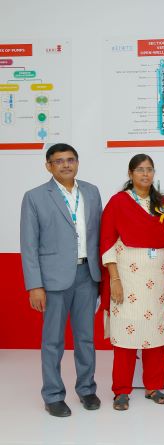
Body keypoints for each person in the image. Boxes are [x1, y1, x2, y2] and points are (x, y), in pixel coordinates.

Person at [20, 143, 103, 417]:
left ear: (77, 163)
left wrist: (103, 278)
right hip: (53, 279)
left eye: (70, 160)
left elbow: (98, 236)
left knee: (86, 338)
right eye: (59, 161)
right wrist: (35, 285)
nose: (66, 165)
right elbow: (29, 245)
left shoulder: (91, 192)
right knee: (53, 341)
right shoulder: (34, 197)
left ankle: (87, 389)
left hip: (87, 275)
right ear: (49, 166)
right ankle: (53, 395)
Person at [100, 154, 164, 410]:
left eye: (149, 170)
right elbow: (107, 242)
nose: (145, 175)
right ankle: (121, 390)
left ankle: (154, 386)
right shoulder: (118, 202)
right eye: (140, 170)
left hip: (158, 279)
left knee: (157, 336)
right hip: (127, 278)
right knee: (125, 335)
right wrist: (115, 279)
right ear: (130, 173)